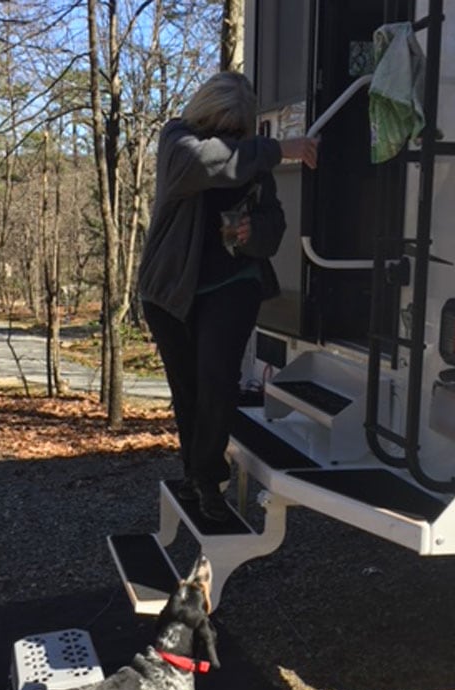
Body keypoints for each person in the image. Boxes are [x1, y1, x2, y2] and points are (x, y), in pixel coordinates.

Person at [138, 71, 318, 521]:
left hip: (233, 285)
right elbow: (207, 163)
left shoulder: (250, 159)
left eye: (238, 131)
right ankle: (194, 470)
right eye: (223, 129)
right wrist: (279, 149)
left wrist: (253, 231)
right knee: (188, 388)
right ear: (205, 117)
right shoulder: (177, 141)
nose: (231, 138)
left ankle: (208, 480)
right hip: (171, 290)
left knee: (217, 381)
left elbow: (273, 225)